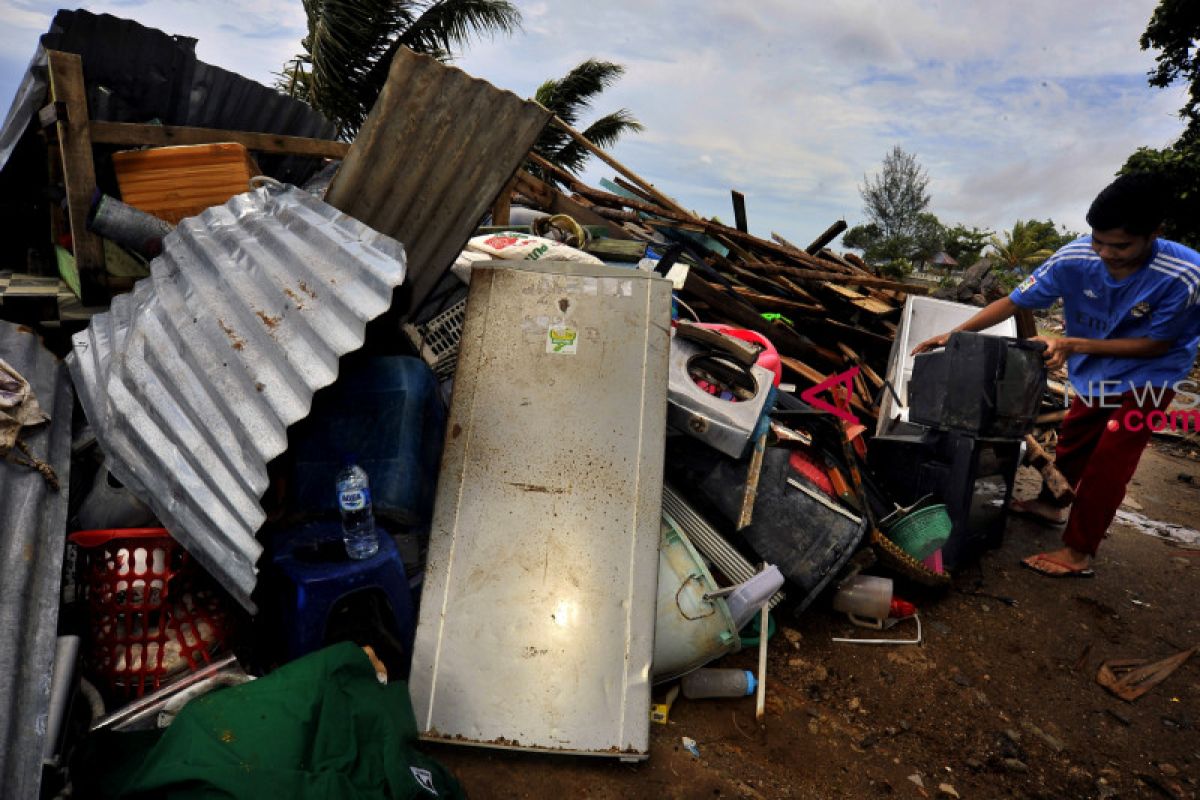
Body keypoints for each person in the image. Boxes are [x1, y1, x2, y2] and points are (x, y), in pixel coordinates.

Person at [912, 173, 1200, 577]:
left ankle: (1079, 551)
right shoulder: (1074, 258)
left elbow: (1156, 345)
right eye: (1098, 240)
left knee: (1110, 460)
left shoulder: (1184, 273)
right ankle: (1050, 505)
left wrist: (1072, 344)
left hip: (1153, 377)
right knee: (1076, 439)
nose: (1104, 253)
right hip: (1097, 372)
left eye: (1119, 245)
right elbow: (1014, 302)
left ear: (1154, 233)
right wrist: (955, 333)